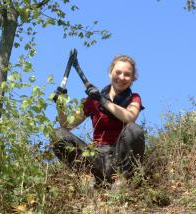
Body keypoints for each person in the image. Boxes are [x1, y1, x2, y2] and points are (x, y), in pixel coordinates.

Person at [51, 54, 145, 187]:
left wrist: (102, 100)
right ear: (110, 72)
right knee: (58, 134)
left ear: (133, 79)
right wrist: (59, 105)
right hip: (97, 158)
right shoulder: (92, 101)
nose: (121, 77)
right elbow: (67, 125)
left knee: (134, 130)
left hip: (119, 158)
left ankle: (123, 180)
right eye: (118, 72)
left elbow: (130, 117)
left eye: (127, 74)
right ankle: (89, 177)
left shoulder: (134, 98)